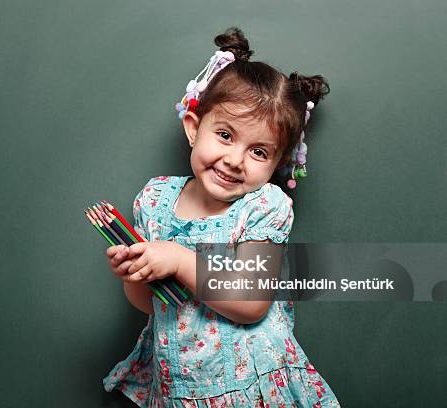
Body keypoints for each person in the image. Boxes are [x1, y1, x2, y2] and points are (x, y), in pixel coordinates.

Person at [103, 27, 340, 407]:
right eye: (226, 135)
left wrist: (178, 259)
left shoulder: (263, 208)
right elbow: (154, 306)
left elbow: (251, 302)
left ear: (278, 163)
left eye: (259, 152)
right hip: (180, 385)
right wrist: (136, 274)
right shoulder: (154, 199)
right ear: (193, 128)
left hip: (251, 386)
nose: (234, 159)